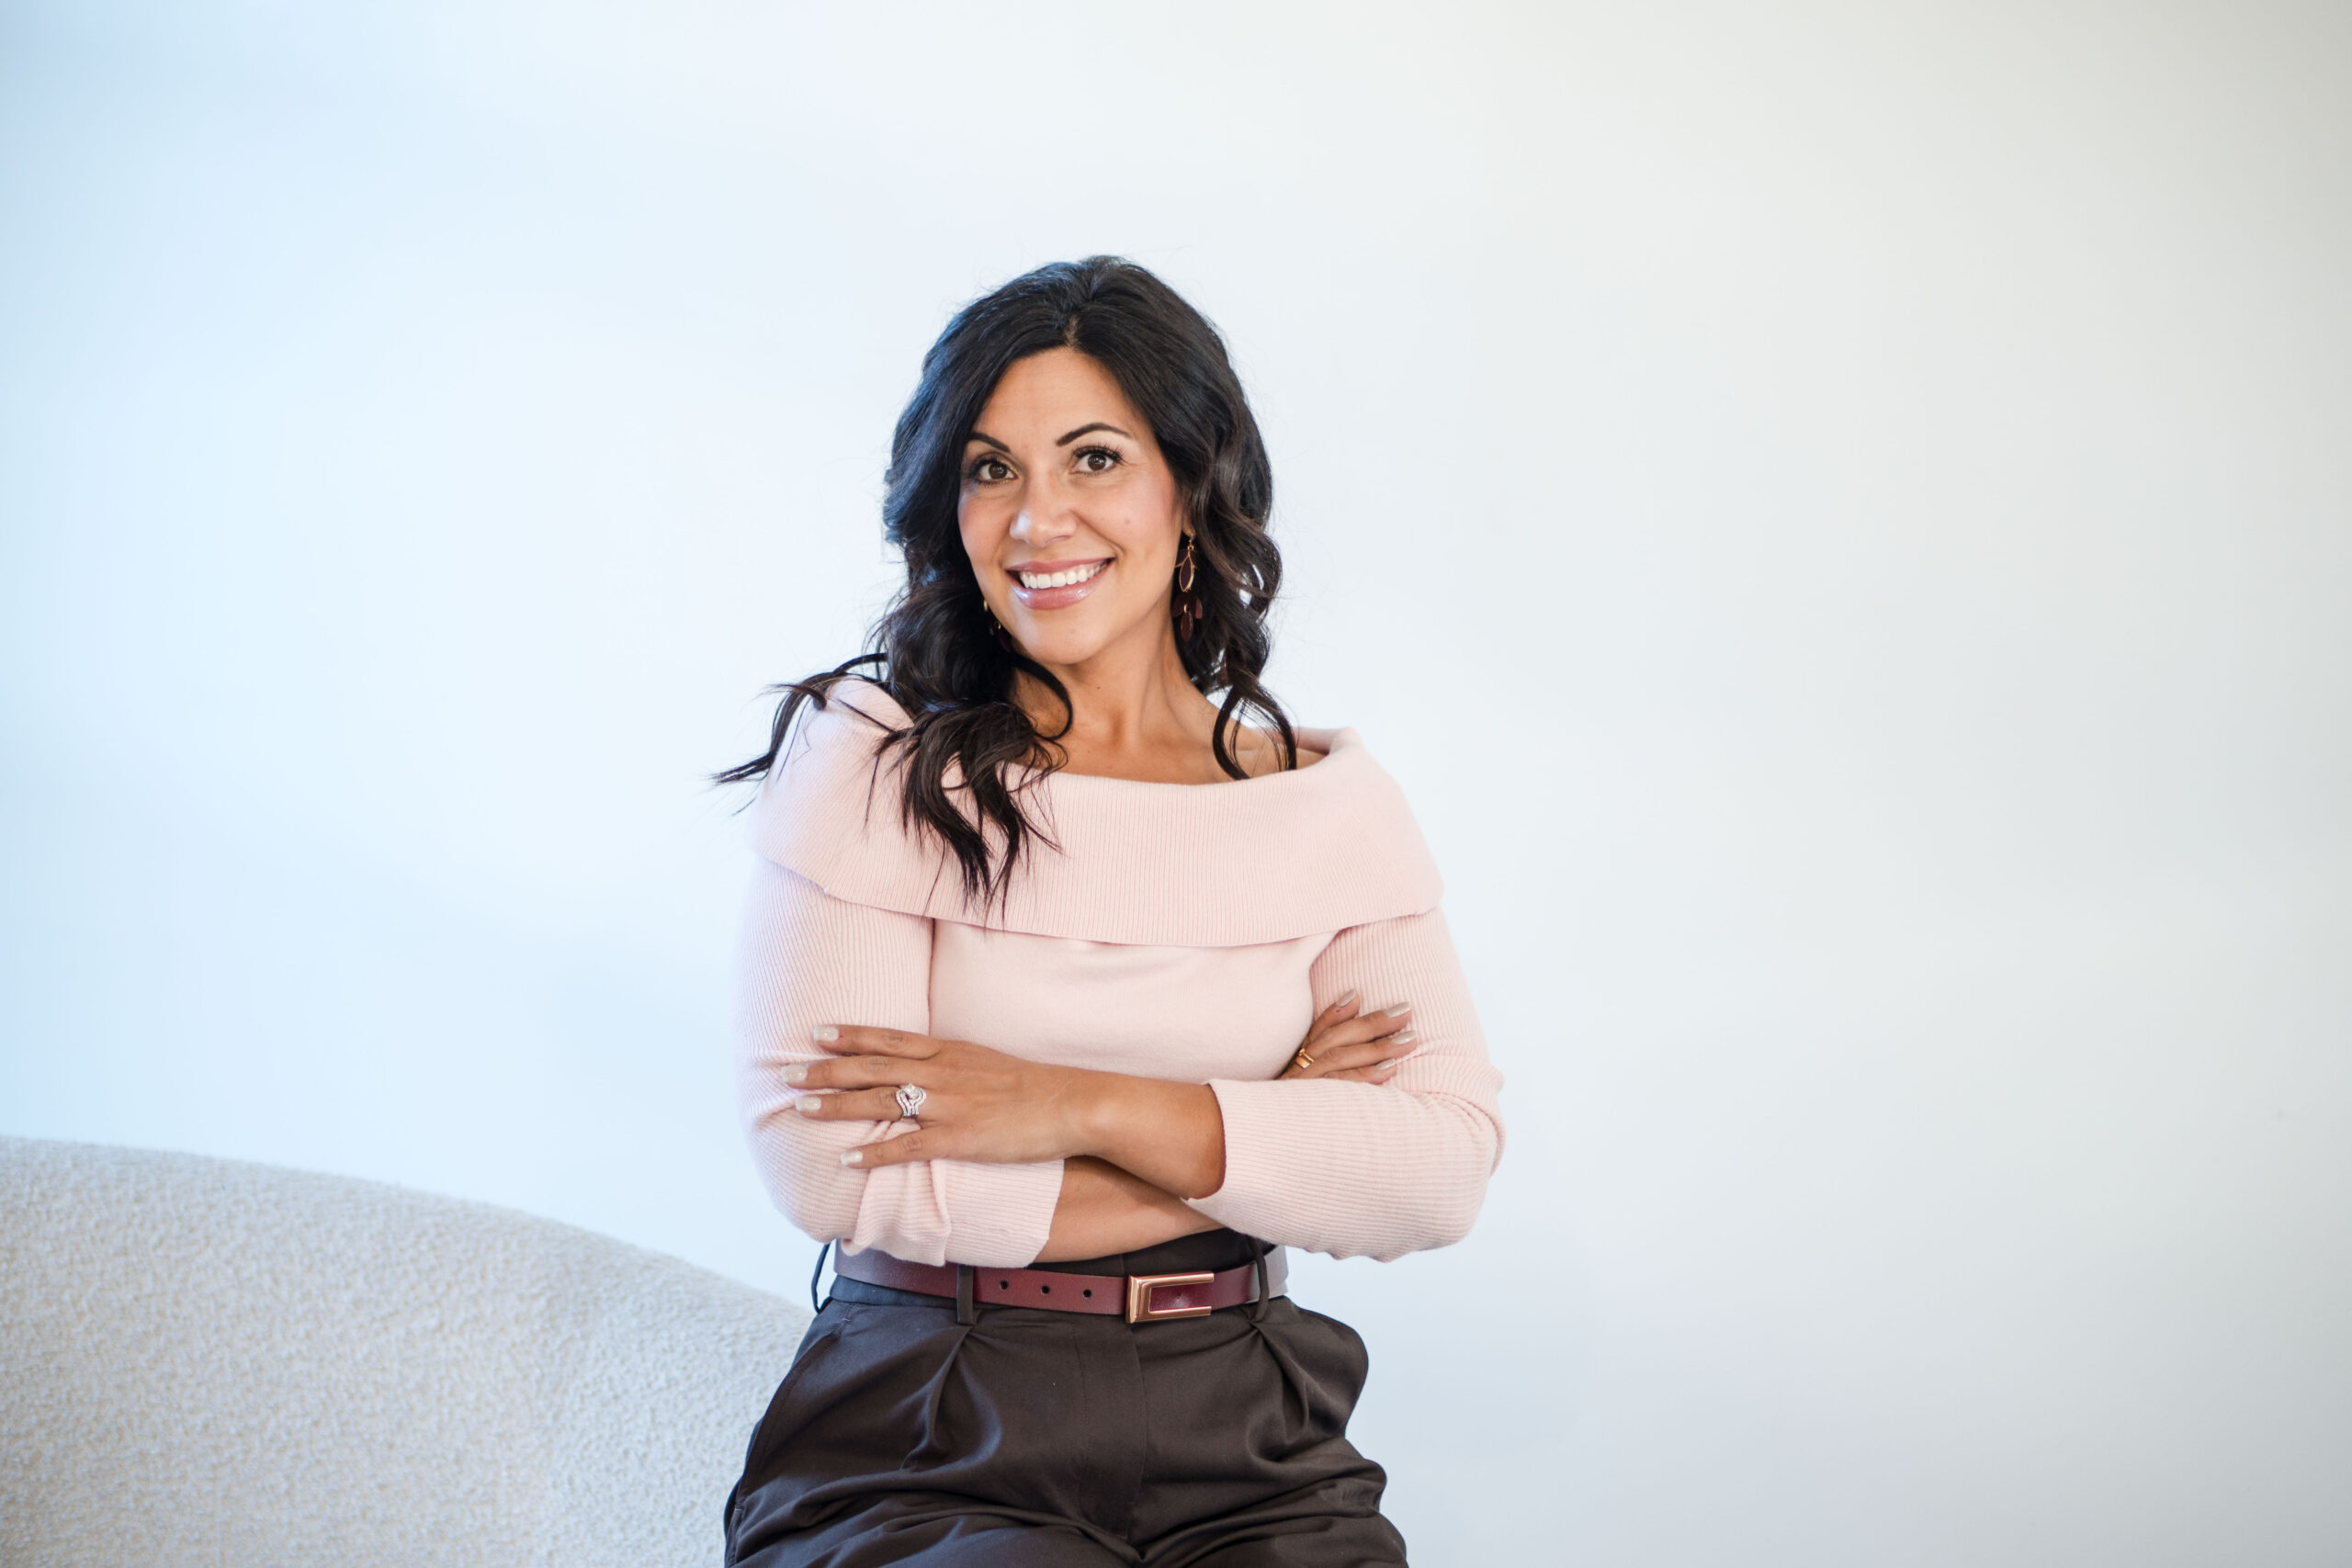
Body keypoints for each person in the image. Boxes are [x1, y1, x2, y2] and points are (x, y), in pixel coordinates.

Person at [719, 256, 1504, 1566]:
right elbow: (827, 1165)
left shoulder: (1328, 807)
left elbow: (1438, 1171)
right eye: (989, 468)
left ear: (1192, 490)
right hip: (929, 1420)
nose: (1037, 518)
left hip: (1254, 1432)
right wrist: (1267, 1135)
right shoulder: (873, 763)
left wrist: (1074, 1103)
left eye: (1094, 459)